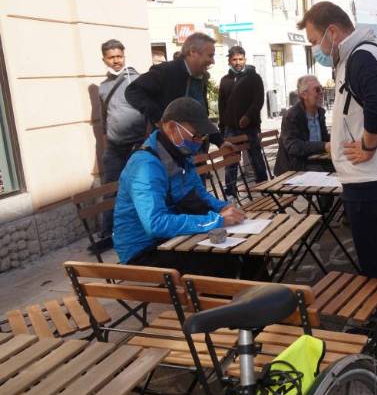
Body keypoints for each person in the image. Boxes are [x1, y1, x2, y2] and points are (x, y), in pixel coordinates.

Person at [298, 1, 377, 369]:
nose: (316, 48)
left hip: (374, 182)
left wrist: (366, 145)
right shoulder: (356, 56)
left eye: (316, 40)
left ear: (333, 31)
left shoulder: (361, 56)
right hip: (372, 181)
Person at [112, 98, 246, 277]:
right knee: (220, 263)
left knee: (244, 251)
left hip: (172, 239)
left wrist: (222, 207)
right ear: (171, 127)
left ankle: (265, 302)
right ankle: (232, 304)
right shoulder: (146, 165)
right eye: (196, 135)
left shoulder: (181, 153)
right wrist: (217, 220)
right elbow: (155, 223)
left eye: (203, 136)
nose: (200, 141)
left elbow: (198, 193)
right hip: (143, 252)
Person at [125, 32, 226, 147]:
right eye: (210, 55)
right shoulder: (166, 71)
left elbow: (201, 117)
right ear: (193, 52)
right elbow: (133, 91)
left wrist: (220, 142)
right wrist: (159, 118)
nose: (213, 61)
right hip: (170, 151)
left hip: (197, 149)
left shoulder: (200, 77)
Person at [98, 39, 145, 239]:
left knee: (140, 186)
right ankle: (107, 232)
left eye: (119, 56)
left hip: (137, 143)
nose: (116, 60)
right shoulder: (103, 86)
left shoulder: (137, 80)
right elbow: (103, 114)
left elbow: (149, 109)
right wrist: (104, 138)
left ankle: (142, 225)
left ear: (124, 56)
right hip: (115, 146)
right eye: (111, 57)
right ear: (104, 60)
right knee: (110, 188)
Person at [218, 46, 268, 195]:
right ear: (229, 61)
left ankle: (265, 186)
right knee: (231, 161)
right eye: (234, 59)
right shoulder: (225, 80)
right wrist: (222, 127)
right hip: (230, 128)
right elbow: (222, 105)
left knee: (256, 158)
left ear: (245, 59)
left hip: (250, 126)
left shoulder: (254, 77)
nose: (237, 62)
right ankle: (231, 190)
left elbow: (258, 100)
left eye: (240, 59)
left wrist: (248, 116)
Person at [274, 75, 331, 176]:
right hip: (294, 166)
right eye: (317, 90)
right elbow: (293, 146)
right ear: (304, 95)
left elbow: (324, 138)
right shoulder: (292, 116)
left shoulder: (320, 112)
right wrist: (324, 146)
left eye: (321, 88)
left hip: (314, 160)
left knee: (344, 166)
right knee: (322, 172)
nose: (322, 92)